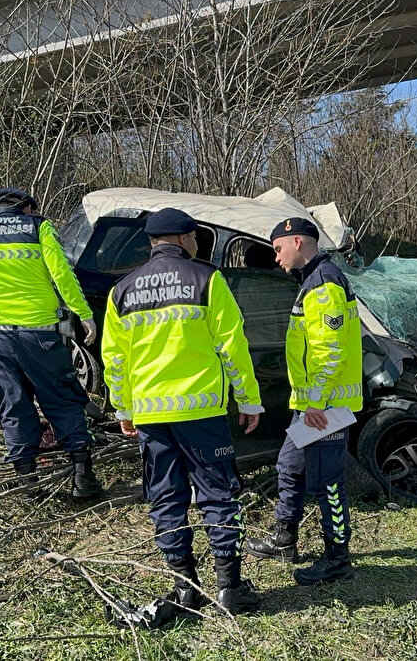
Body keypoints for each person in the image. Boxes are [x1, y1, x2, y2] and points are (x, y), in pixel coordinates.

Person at [100, 207, 263, 626]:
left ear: (152, 243)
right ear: (186, 238)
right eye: (196, 238)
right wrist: (249, 401)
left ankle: (186, 588)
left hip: (152, 416)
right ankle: (229, 586)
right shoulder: (207, 279)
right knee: (218, 493)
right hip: (201, 411)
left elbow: (113, 360)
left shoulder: (122, 290)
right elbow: (232, 345)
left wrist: (124, 408)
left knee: (166, 497)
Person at [0, 187, 103, 499]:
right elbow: (62, 274)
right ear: (27, 207)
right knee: (62, 399)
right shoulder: (39, 227)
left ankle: (28, 486)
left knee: (13, 404)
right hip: (40, 333)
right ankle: (82, 481)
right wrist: (83, 313)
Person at [246, 217, 362, 586]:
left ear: (297, 241)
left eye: (278, 249)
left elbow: (331, 351)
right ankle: (284, 541)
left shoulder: (324, 283)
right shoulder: (313, 280)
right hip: (312, 405)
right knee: (289, 466)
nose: (277, 258)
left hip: (325, 408)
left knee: (328, 482)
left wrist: (315, 401)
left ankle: (337, 558)